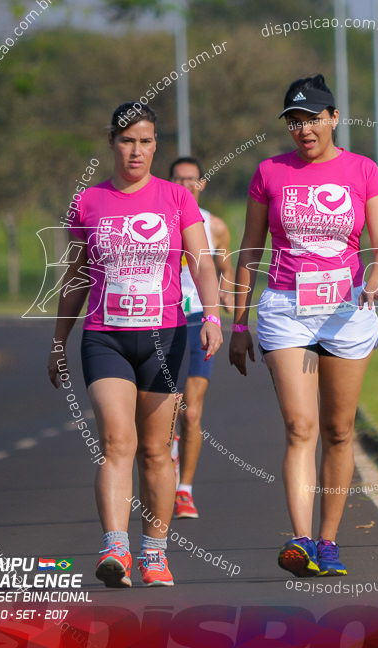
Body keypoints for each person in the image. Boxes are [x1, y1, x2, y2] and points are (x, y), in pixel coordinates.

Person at [47, 102, 222, 587]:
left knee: (155, 452)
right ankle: (115, 548)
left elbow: (201, 261)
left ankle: (155, 552)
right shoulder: (87, 202)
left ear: (155, 145)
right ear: (112, 143)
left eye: (145, 141)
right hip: (105, 337)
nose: (136, 150)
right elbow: (76, 276)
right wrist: (59, 340)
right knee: (116, 442)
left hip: (165, 337)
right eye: (127, 141)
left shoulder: (175, 198)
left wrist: (210, 315)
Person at [228, 74, 378, 577]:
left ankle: (328, 541)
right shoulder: (269, 172)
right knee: (300, 427)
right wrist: (239, 323)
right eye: (295, 121)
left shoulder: (362, 170)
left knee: (339, 430)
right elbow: (250, 251)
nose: (304, 129)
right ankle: (300, 541)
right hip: (284, 307)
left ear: (334, 119)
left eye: (313, 119)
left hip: (347, 308)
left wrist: (374, 278)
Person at [168, 156, 235, 519]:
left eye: (192, 180)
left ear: (202, 183)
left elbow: (225, 267)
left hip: (197, 320)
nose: (185, 186)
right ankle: (168, 454)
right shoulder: (156, 217)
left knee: (191, 413)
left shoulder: (215, 226)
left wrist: (224, 295)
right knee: (168, 410)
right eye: (178, 180)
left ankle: (184, 491)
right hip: (160, 319)